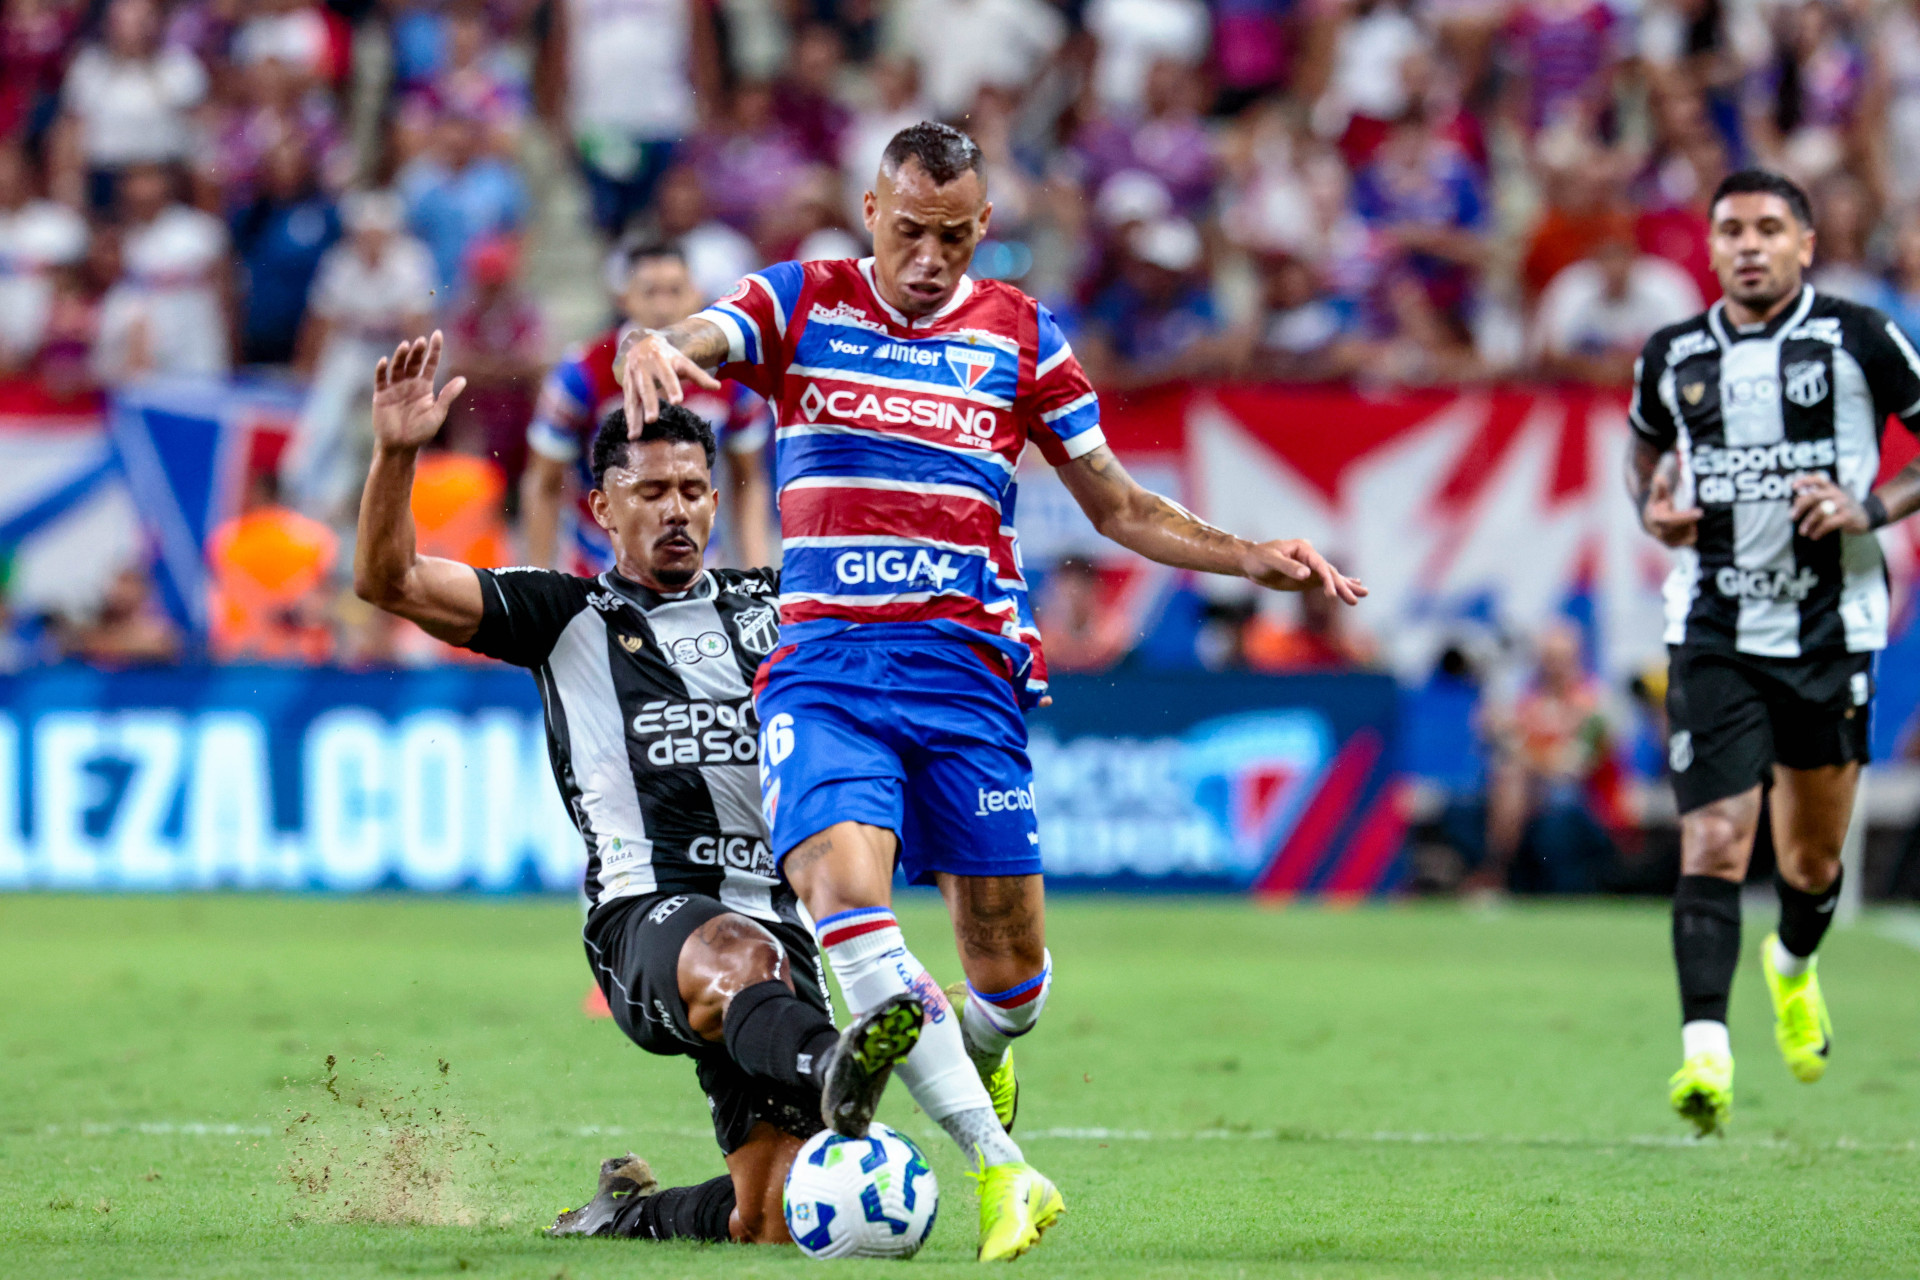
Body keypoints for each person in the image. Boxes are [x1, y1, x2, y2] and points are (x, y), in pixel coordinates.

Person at [616, 121, 1365, 1260]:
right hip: (826, 672)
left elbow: (1115, 502)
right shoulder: (802, 299)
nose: (929, 257)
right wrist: (651, 342)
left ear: (985, 230)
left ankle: (986, 1048)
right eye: (909, 231)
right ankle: (1002, 1170)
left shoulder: (1020, 334)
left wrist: (1244, 549)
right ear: (872, 211)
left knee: (1009, 978)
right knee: (846, 902)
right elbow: (702, 336)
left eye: (955, 238)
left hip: (968, 679)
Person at [350, 331, 922, 1247]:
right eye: (650, 492)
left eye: (693, 491)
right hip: (646, 917)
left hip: (780, 926)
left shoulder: (779, 605)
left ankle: (629, 1217)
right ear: (602, 509)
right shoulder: (563, 614)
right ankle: (833, 1065)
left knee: (771, 1219)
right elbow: (387, 579)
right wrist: (395, 453)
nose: (678, 511)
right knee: (734, 950)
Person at [1628, 168, 1920, 1135]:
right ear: (1709, 249)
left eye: (1768, 228)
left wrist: (1868, 507)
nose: (1748, 245)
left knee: (1810, 861)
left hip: (1832, 626)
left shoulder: (1860, 337)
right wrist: (1653, 509)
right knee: (1714, 836)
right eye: (1730, 231)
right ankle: (1703, 1054)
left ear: (1804, 242)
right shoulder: (1671, 355)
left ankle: (1793, 968)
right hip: (1711, 626)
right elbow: (1644, 456)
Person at [522, 241, 771, 575]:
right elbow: (544, 482)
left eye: (674, 291)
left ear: (696, 294)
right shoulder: (582, 373)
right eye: (650, 292)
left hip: (698, 569)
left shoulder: (733, 375)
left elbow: (749, 480)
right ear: (624, 299)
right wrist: (538, 578)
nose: (663, 306)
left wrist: (757, 576)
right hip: (598, 570)